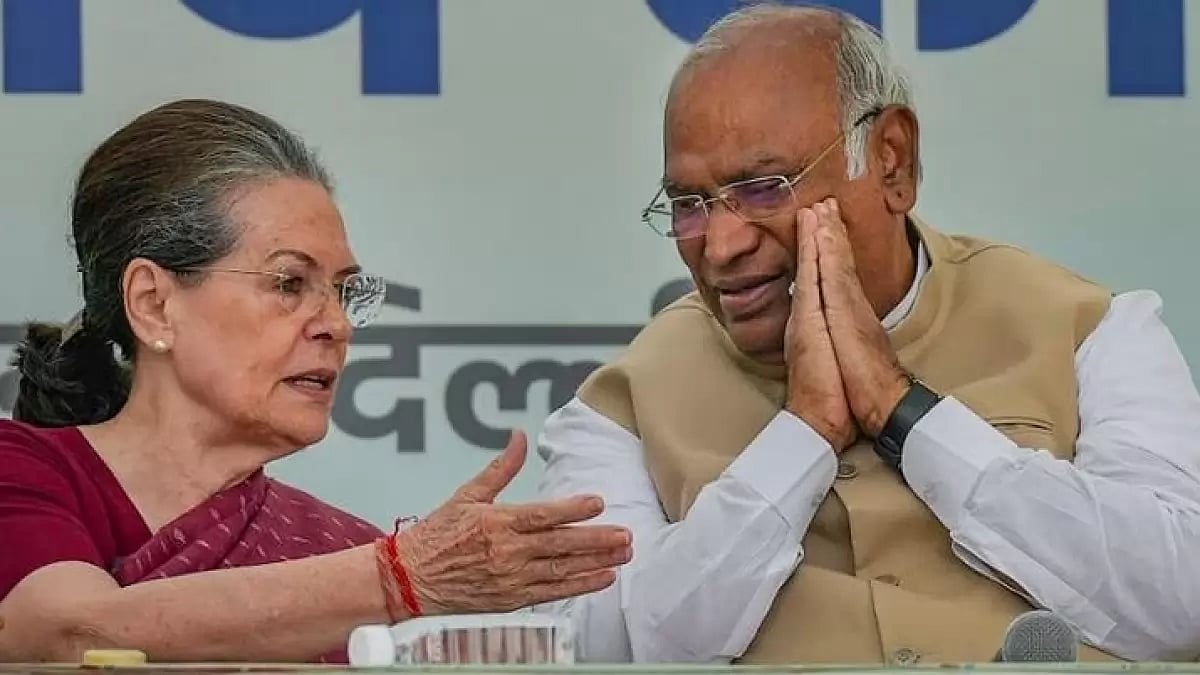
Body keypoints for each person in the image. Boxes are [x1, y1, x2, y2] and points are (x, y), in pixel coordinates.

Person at [536, 3, 1200, 665]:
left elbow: (1182, 606)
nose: (721, 245)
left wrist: (905, 411)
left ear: (891, 161)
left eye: (764, 188)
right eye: (689, 205)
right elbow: (597, 652)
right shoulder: (621, 406)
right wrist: (802, 438)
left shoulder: (1089, 330)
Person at [0, 99, 631, 663]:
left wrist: (398, 579)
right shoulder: (23, 470)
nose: (335, 324)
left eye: (343, 291)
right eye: (289, 283)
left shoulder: (337, 550)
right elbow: (71, 634)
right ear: (154, 304)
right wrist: (397, 578)